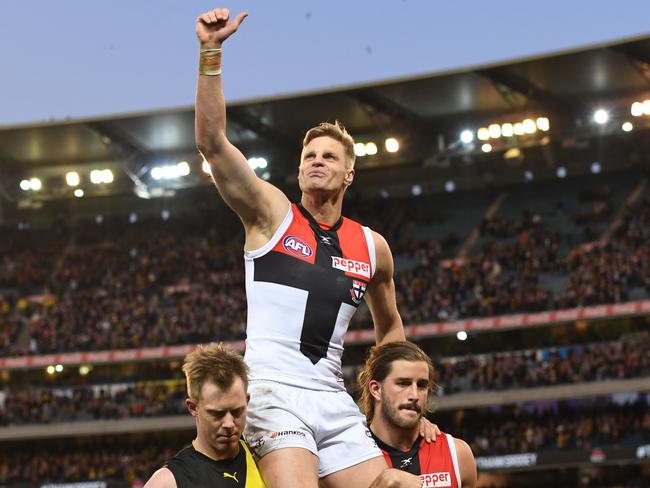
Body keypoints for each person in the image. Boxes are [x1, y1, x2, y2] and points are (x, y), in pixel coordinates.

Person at [194, 7, 438, 488]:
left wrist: (396, 401)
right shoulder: (271, 214)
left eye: (329, 156)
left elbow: (390, 327)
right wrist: (211, 52)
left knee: (401, 485)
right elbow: (213, 144)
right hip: (272, 392)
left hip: (333, 397)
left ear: (349, 174)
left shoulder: (372, 248)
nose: (316, 162)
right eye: (309, 156)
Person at [144, 343, 266, 488]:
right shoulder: (167, 483)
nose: (229, 424)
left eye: (236, 411)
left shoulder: (268, 459)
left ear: (247, 401)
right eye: (217, 414)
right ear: (193, 407)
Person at [358, 342, 477, 488]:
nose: (414, 395)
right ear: (376, 389)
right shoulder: (349, 460)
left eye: (421, 385)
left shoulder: (458, 454)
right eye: (403, 383)